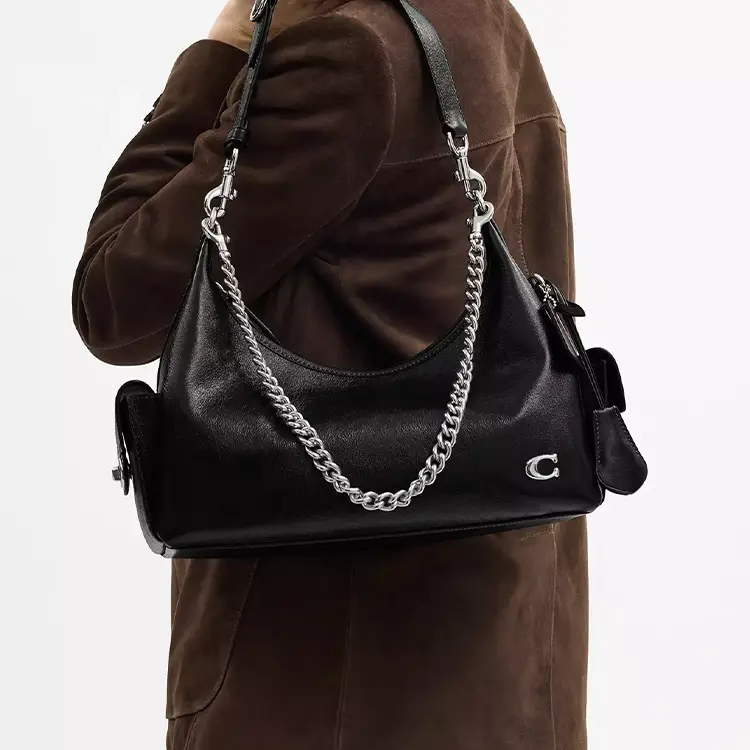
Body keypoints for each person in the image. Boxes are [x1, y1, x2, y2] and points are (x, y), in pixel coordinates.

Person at [72, 0, 588, 748]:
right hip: (499, 630)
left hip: (324, 664)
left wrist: (221, 51)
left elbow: (116, 305)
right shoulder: (482, 18)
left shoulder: (349, 56)